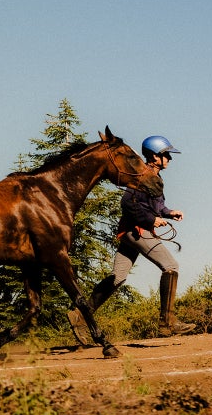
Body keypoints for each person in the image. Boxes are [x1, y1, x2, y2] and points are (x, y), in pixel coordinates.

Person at [69, 135, 197, 343]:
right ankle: (167, 322)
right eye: (166, 155)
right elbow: (128, 204)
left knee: (117, 278)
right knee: (170, 266)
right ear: (155, 157)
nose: (170, 160)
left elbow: (154, 206)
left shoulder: (154, 176)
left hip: (131, 231)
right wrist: (151, 220)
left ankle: (79, 315)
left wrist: (167, 212)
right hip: (136, 231)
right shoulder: (142, 175)